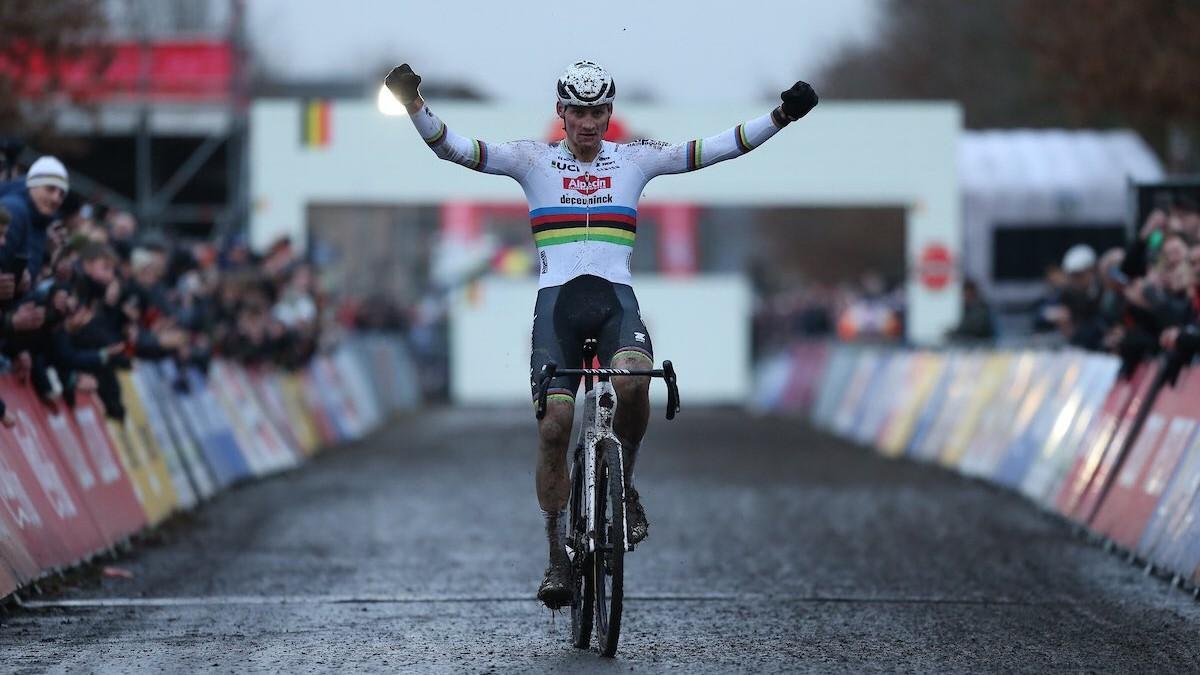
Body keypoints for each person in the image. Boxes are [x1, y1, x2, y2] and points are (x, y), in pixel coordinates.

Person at [384, 61, 819, 608]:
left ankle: (626, 486)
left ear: (609, 114)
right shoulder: (531, 159)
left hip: (615, 303)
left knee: (636, 382)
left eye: (598, 112)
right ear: (560, 113)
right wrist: (413, 105)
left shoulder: (635, 159)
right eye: (578, 112)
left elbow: (715, 149)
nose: (588, 122)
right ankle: (554, 557)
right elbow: (455, 149)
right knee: (555, 428)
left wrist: (781, 117)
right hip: (558, 308)